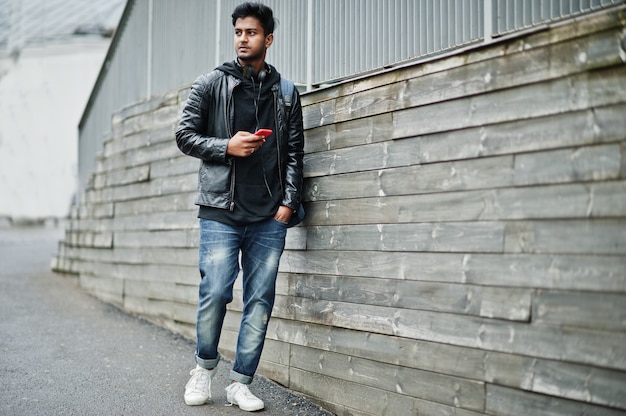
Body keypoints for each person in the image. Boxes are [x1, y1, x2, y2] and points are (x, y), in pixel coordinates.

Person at [175, 2, 304, 412]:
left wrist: (288, 202)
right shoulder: (211, 83)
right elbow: (184, 135)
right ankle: (204, 368)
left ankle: (241, 383)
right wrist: (225, 146)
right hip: (220, 211)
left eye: (251, 32)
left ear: (268, 39)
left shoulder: (285, 93)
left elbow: (297, 151)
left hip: (268, 216)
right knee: (214, 291)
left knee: (260, 301)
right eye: (238, 32)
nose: (243, 39)